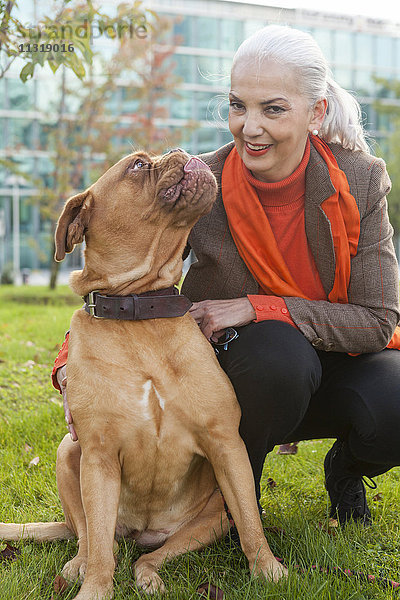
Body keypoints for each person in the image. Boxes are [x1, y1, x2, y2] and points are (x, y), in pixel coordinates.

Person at [53, 25, 400, 527]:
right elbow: (125, 276)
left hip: (342, 360)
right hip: (255, 372)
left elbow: (376, 320)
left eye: (273, 109)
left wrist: (258, 305)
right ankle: (238, 492)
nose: (250, 127)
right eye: (239, 106)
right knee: (278, 353)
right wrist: (71, 363)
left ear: (316, 111)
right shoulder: (203, 185)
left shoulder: (362, 180)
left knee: (395, 402)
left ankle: (345, 469)